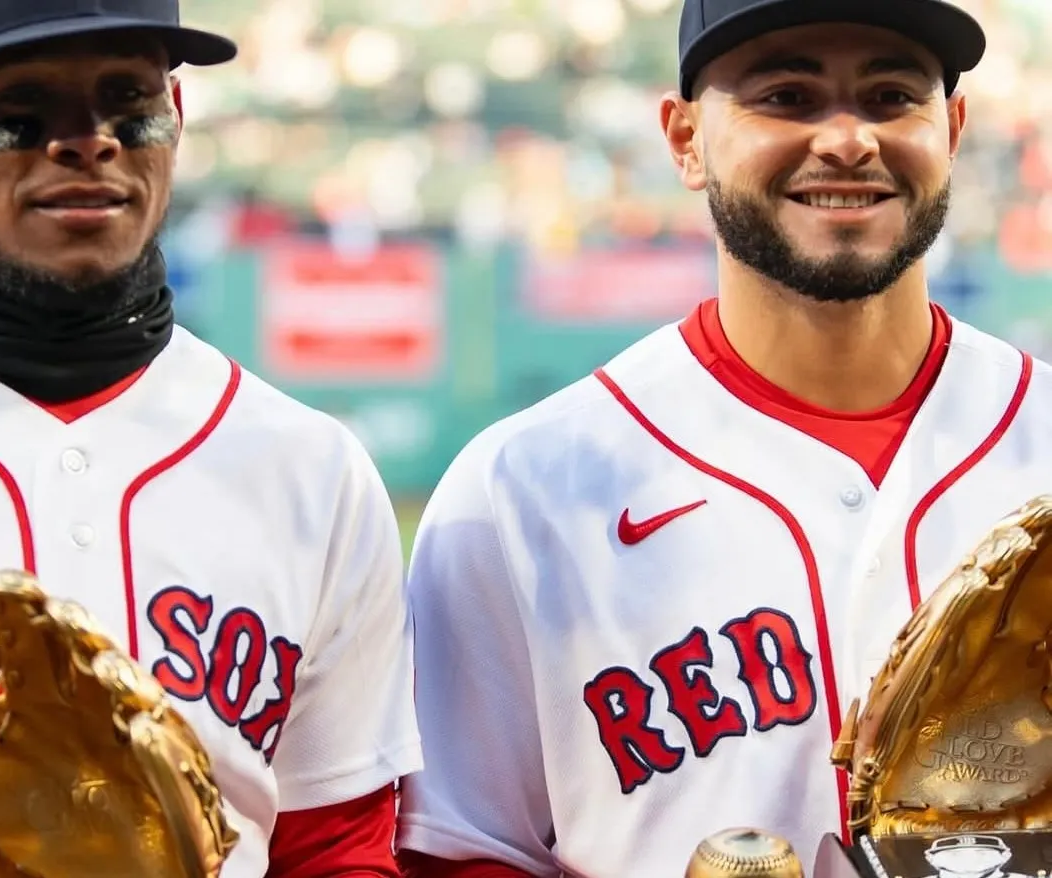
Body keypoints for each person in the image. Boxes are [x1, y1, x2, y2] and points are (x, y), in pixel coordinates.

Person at [395, 0, 1051, 875]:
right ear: (684, 139)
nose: (850, 139)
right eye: (786, 96)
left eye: (893, 95)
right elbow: (462, 853)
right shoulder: (523, 489)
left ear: (954, 127)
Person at [0, 0, 421, 875]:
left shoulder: (308, 470)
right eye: (23, 106)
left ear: (178, 113)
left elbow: (336, 842)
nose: (88, 140)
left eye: (126, 98)